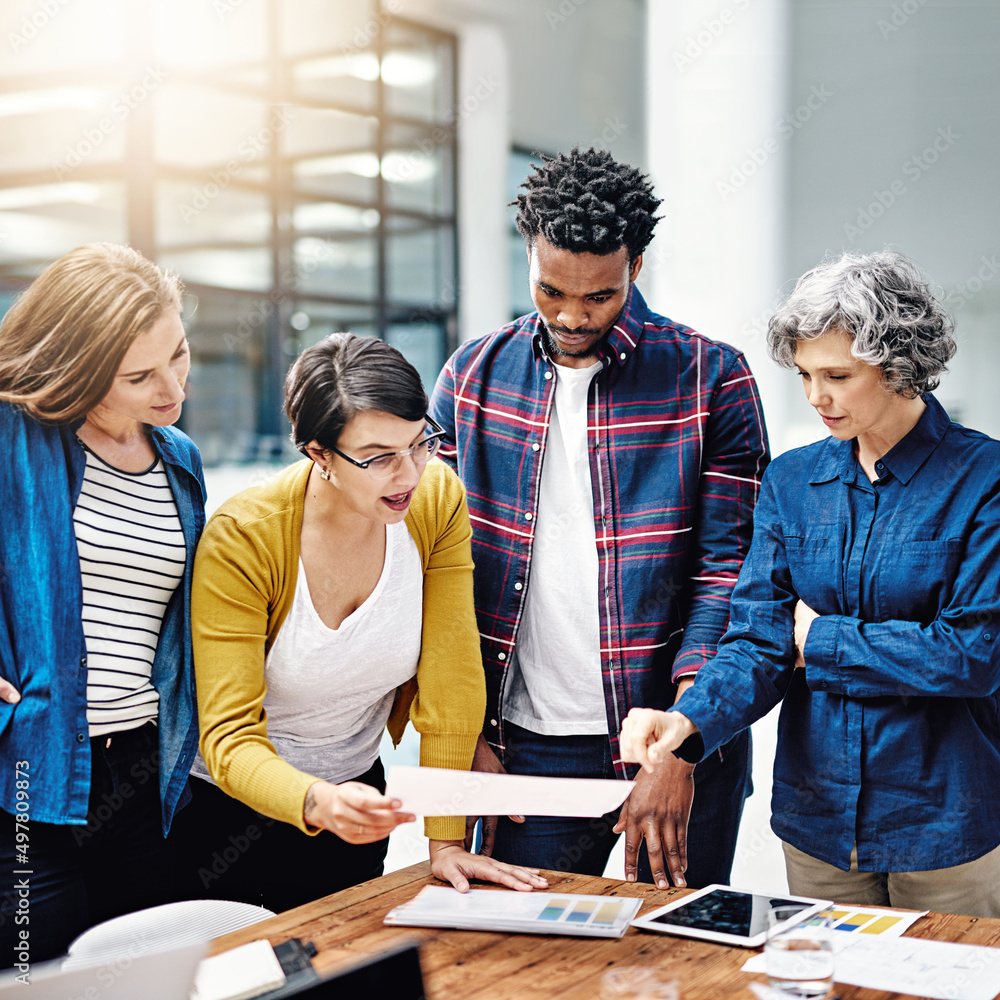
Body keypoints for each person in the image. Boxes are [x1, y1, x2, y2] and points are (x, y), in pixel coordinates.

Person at [620, 250, 1000, 916]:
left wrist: (819, 639)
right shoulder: (793, 483)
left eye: (838, 375)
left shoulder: (984, 481)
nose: (815, 397)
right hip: (817, 822)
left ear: (898, 364)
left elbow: (971, 655)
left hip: (949, 826)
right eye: (803, 375)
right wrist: (686, 722)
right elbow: (758, 642)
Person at [429, 147, 770, 890]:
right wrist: (467, 736)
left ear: (636, 269)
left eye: (600, 296)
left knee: (672, 964)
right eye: (552, 291)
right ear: (528, 255)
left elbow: (728, 576)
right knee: (528, 966)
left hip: (671, 736)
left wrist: (680, 745)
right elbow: (439, 576)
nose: (573, 315)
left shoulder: (711, 378)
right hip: (527, 745)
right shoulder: (471, 379)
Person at [173, 333, 547, 914]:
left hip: (356, 799)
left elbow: (451, 685)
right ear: (318, 453)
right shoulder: (245, 538)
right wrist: (318, 803)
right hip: (226, 813)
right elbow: (227, 737)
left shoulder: (433, 499)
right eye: (378, 457)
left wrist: (444, 843)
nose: (408, 475)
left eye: (419, 444)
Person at [0, 244, 205, 965]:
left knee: (140, 976)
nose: (172, 388)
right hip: (28, 775)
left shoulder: (179, 459)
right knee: (31, 974)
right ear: (81, 366)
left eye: (178, 355)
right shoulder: (13, 436)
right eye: (140, 376)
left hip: (143, 773)